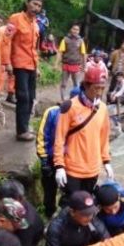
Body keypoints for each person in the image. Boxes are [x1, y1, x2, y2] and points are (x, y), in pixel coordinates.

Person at [53, 65, 112, 198]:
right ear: (86, 85)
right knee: (72, 206)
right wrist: (59, 166)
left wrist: (106, 161)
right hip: (73, 169)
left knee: (86, 206)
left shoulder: (102, 109)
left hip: (93, 169)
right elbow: (59, 138)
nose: (99, 92)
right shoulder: (70, 107)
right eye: (96, 88)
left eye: (102, 88)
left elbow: (104, 138)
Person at [36, 87, 80, 218]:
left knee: (70, 192)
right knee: (49, 191)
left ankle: (65, 216)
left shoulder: (83, 116)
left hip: (70, 162)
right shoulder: (52, 112)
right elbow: (42, 137)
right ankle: (49, 213)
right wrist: (44, 160)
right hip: (51, 159)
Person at [8, 0, 43, 141]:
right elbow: (7, 41)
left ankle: (25, 126)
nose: (36, 8)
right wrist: (7, 62)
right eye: (34, 4)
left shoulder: (36, 23)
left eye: (39, 6)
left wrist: (38, 66)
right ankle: (21, 131)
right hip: (19, 63)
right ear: (27, 3)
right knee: (23, 97)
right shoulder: (15, 19)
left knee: (31, 98)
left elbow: (34, 48)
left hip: (31, 65)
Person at [55, 22, 87, 101]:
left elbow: (84, 54)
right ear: (71, 30)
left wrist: (84, 66)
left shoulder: (81, 41)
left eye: (77, 30)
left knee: (76, 84)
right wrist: (56, 64)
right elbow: (60, 52)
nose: (75, 31)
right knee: (63, 84)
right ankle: (63, 99)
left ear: (79, 31)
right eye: (74, 29)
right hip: (66, 64)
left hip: (76, 65)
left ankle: (75, 100)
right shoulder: (65, 40)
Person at [0, 23, 16, 103]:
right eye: (9, 30)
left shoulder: (9, 37)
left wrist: (8, 63)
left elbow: (7, 51)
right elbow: (0, 51)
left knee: (12, 75)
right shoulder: (0, 34)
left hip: (6, 61)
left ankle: (10, 94)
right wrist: (6, 63)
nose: (9, 33)